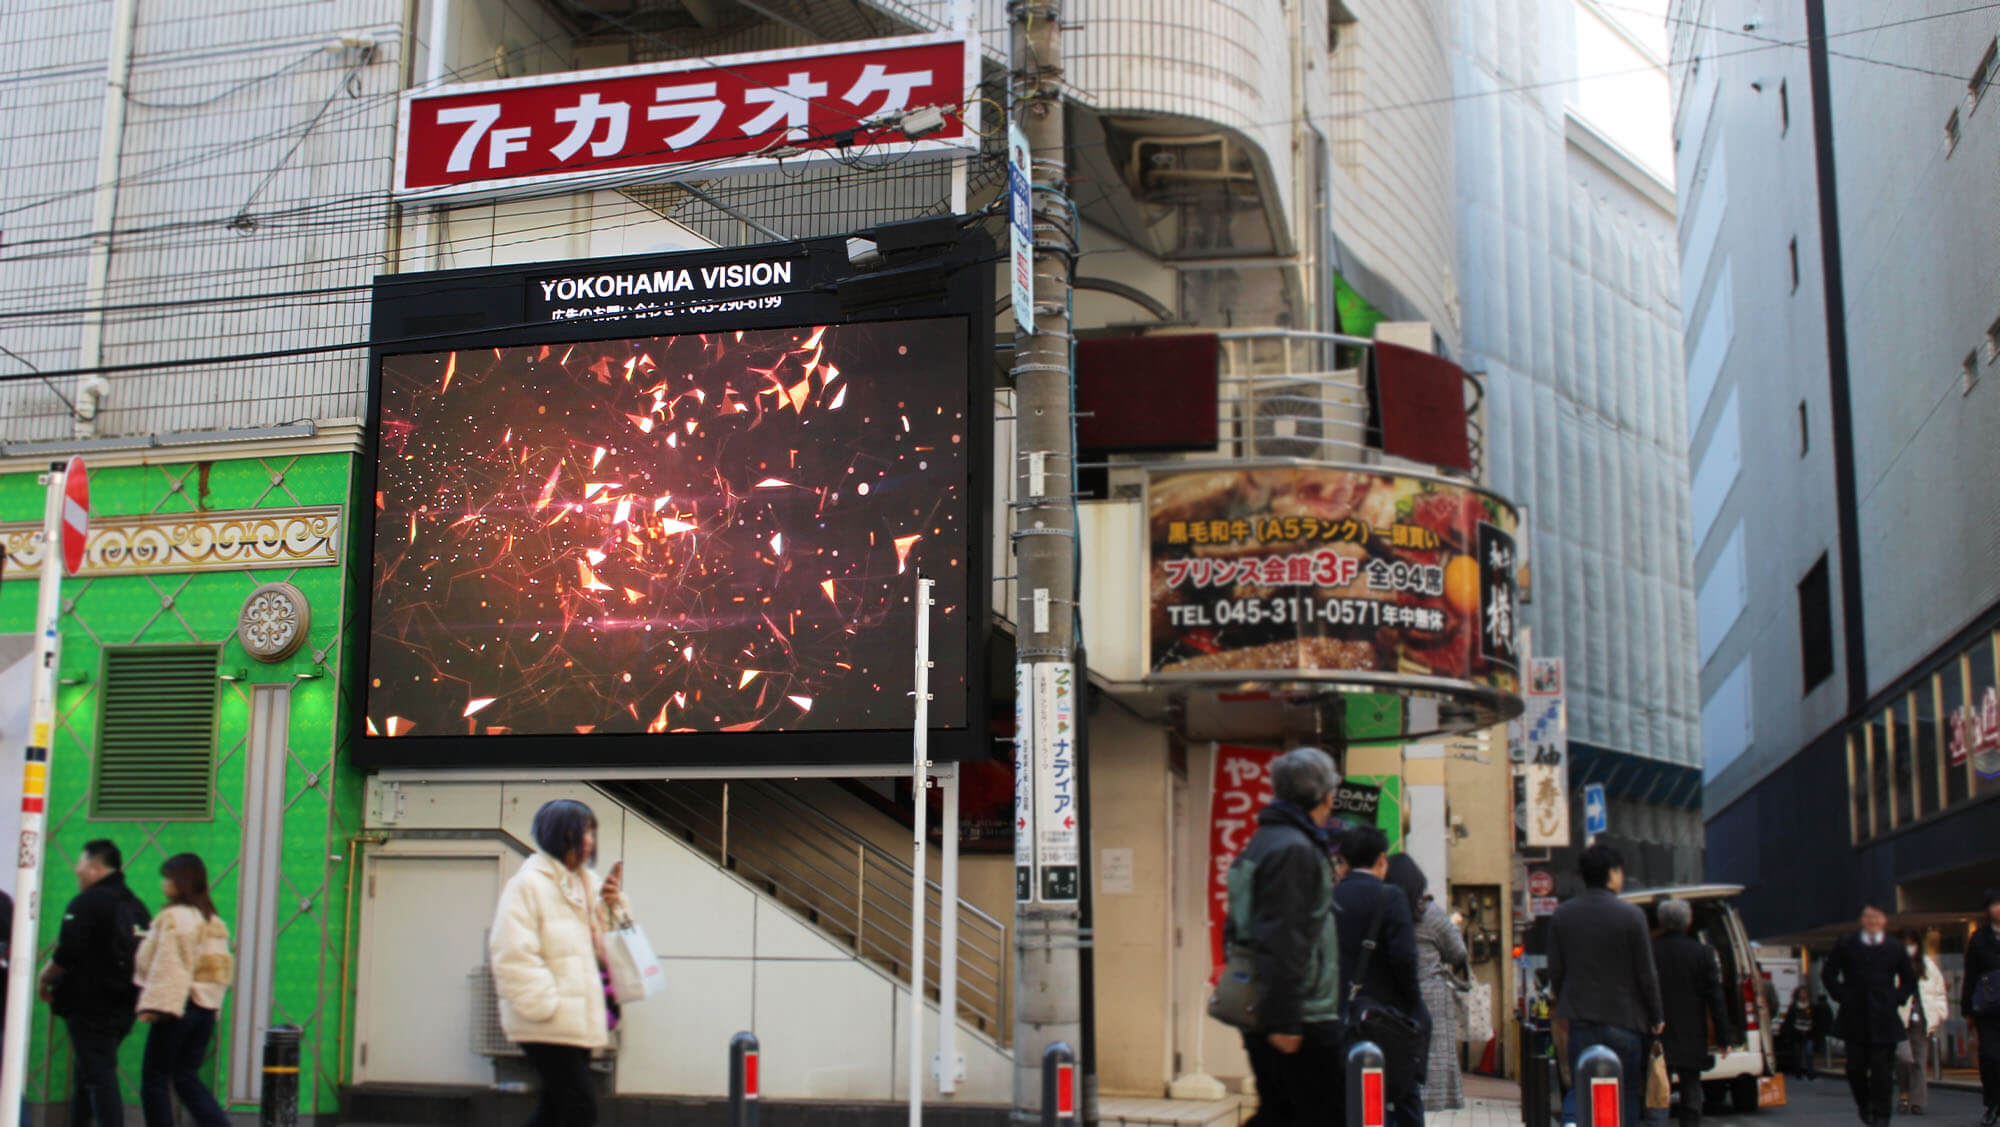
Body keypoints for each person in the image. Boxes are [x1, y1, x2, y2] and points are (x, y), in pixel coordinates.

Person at [1223, 748, 1344, 1127]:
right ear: (1325, 795)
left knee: (1280, 1113)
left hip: (1268, 1007)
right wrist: (1285, 1021)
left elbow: (1240, 929)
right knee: (1313, 1115)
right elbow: (1283, 937)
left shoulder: (1265, 841)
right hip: (1300, 1015)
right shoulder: (1294, 850)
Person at [491, 798, 629, 1127]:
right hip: (548, 1019)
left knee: (555, 1110)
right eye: (583, 833)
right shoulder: (528, 885)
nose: (590, 842)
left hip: (577, 1018)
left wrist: (615, 905)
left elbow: (610, 945)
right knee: (579, 1107)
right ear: (558, 834)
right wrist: (544, 1004)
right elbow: (511, 952)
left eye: (591, 834)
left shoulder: (588, 883)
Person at [1547, 843, 1661, 1127]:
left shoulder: (1564, 915)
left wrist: (1562, 1000)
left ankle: (1572, 1123)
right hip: (1626, 1020)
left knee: (1580, 1085)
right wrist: (1656, 1015)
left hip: (1581, 1018)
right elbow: (1646, 973)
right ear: (1612, 874)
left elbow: (1556, 970)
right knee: (1627, 1094)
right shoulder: (1632, 916)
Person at [39, 839, 150, 1127]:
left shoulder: (88, 902)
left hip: (90, 1004)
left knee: (99, 1075)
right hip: (125, 1004)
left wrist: (45, 977)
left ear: (95, 868)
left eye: (81, 864)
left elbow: (68, 950)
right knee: (87, 1072)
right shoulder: (136, 906)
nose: (76, 870)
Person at [1335, 827, 1427, 1127]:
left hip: (1337, 1019)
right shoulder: (1390, 897)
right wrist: (1413, 1004)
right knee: (1402, 1097)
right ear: (1382, 860)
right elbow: (1404, 958)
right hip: (1384, 1019)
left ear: (1344, 861)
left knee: (1345, 1098)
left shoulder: (1329, 898)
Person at [134, 853, 233, 1127]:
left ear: (180, 881)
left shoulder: (174, 917)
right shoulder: (213, 920)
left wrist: (159, 1004)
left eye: (168, 877)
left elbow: (165, 965)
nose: (164, 883)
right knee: (186, 1077)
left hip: (176, 1003)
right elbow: (220, 971)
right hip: (205, 1007)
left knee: (154, 1079)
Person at [1821, 904, 1916, 1127]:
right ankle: (1864, 1105)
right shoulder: (1847, 944)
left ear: (1884, 920)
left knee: (1882, 1072)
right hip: (1855, 1017)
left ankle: (1882, 1115)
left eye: (1877, 917)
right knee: (1855, 1068)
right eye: (1868, 916)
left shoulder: (1895, 948)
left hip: (1884, 1018)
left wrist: (1897, 997)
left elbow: (1909, 979)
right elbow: (1828, 974)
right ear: (1862, 919)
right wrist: (1843, 995)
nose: (1872, 921)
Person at [1386, 854, 1467, 1112]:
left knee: (1395, 1070)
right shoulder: (1431, 915)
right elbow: (1458, 953)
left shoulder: (1382, 911)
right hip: (1430, 998)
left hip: (1392, 996)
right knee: (1429, 1064)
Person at [1651, 898, 1726, 1127]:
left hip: (1658, 1028)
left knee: (1656, 1085)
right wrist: (1724, 1037)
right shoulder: (1702, 953)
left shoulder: (1650, 951)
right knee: (1691, 1085)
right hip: (1692, 1031)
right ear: (1688, 922)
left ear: (1661, 921)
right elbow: (1715, 996)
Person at [1894, 928, 1947, 1116]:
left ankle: (1917, 1101)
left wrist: (1939, 1014)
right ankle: (1904, 1092)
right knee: (1903, 1058)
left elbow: (1939, 991)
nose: (1909, 948)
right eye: (1905, 944)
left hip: (1922, 1019)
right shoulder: (1891, 964)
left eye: (1911, 943)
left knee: (1919, 1062)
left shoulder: (1927, 965)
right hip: (1899, 1018)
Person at [1961, 888, 2000, 1126]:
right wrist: (1967, 1011)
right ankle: (1992, 1103)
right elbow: (1970, 975)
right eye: (1994, 904)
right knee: (1990, 1057)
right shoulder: (1979, 939)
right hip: (1988, 1010)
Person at [1779, 986, 1822, 1080]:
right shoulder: (1794, 1006)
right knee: (1797, 1054)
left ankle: (1810, 1072)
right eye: (1802, 993)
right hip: (1797, 1032)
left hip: (1809, 1032)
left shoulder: (1812, 1005)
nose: (1803, 995)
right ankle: (1798, 1072)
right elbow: (1789, 1020)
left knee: (1809, 1053)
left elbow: (1816, 1019)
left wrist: (1815, 1030)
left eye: (1805, 993)